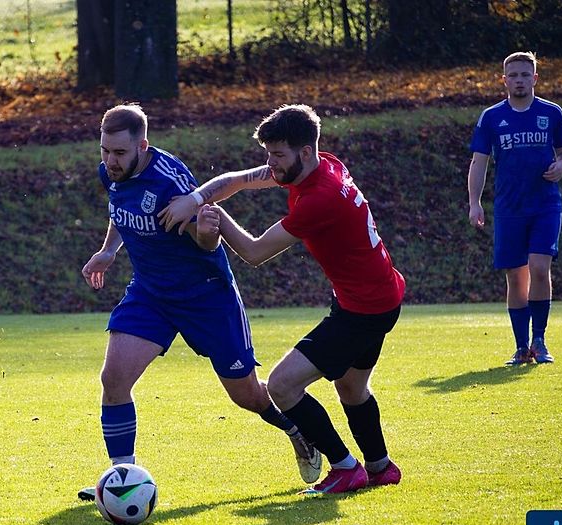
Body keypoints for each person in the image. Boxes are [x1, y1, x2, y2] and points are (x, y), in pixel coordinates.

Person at [77, 104, 321, 501]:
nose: (110, 161)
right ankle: (122, 478)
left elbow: (205, 240)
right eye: (104, 150)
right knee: (114, 379)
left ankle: (298, 430)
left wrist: (209, 231)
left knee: (247, 396)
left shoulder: (169, 180)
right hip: (151, 294)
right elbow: (120, 209)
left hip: (206, 296)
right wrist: (109, 251)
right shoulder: (112, 172)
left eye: (119, 153)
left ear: (143, 145)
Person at [159, 104, 405, 495]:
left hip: (363, 310)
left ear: (304, 152)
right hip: (378, 296)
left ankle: (345, 468)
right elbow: (237, 180)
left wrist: (216, 217)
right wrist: (195, 198)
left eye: (277, 155)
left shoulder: (320, 198)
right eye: (267, 154)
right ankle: (380, 468)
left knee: (282, 386)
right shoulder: (323, 164)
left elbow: (255, 252)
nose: (269, 164)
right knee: (352, 389)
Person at [467, 51, 562, 366]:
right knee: (516, 277)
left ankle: (540, 341)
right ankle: (521, 346)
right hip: (509, 208)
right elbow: (478, 162)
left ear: (535, 79)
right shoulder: (491, 118)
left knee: (540, 269)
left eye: (525, 75)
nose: (519, 80)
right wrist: (475, 203)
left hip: (545, 205)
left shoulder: (552, 113)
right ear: (504, 80)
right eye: (513, 75)